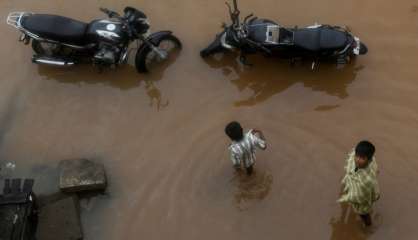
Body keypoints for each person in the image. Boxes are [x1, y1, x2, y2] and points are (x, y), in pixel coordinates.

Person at [338, 140, 380, 226]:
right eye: (357, 156)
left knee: (363, 214)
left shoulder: (367, 180)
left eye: (362, 158)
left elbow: (364, 196)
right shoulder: (355, 156)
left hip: (363, 201)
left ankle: (368, 226)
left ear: (369, 160)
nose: (357, 160)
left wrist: (347, 198)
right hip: (358, 184)